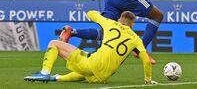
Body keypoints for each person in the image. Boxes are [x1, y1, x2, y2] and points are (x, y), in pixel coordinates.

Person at [24, 10, 157, 84]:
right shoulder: (136, 39)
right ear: (132, 24)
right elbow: (146, 60)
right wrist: (148, 80)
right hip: (102, 77)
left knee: (54, 43)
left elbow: (90, 13)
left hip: (92, 63)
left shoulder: (110, 23)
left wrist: (101, 16)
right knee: (83, 74)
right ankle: (55, 78)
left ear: (119, 20)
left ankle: (45, 73)